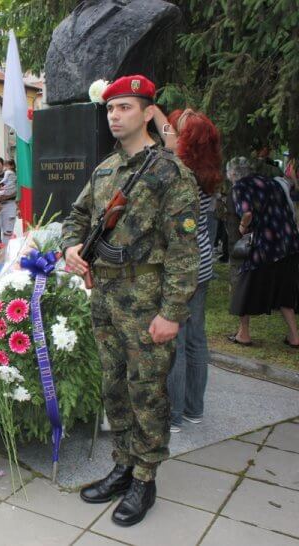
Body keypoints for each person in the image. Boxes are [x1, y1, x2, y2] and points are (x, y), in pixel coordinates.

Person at [62, 75, 200, 526]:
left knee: (147, 393)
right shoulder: (105, 171)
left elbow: (184, 252)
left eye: (124, 107)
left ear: (146, 112)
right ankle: (122, 464)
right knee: (114, 386)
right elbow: (77, 215)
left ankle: (145, 477)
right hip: (105, 297)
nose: (115, 116)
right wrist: (70, 248)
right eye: (110, 109)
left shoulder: (170, 174)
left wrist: (172, 314)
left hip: (147, 302)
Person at [153, 109, 222, 433]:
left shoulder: (181, 174)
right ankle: (195, 409)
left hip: (182, 268)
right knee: (196, 340)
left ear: (187, 143)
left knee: (176, 342)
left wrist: (151, 109)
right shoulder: (208, 172)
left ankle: (174, 415)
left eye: (179, 133)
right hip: (204, 264)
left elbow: (167, 141)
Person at [226, 157, 299, 348]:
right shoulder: (270, 182)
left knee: (244, 286)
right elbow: (291, 200)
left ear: (233, 174)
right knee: (284, 291)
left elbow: (247, 213)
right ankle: (294, 337)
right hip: (289, 242)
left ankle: (244, 334)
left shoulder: (240, 186)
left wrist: (242, 228)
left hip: (265, 244)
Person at [0, 159, 18, 245]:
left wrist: (3, 197)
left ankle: (6, 255)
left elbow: (16, 191)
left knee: (7, 233)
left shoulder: (10, 174)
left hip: (9, 205)